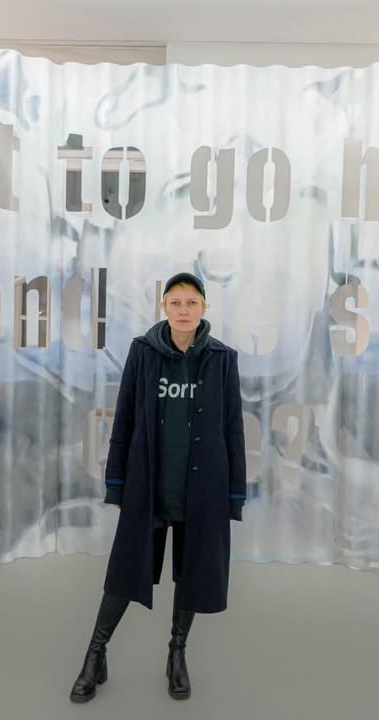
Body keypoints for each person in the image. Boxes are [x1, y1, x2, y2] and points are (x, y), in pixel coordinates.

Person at [69, 272, 247, 703]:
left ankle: (176, 653)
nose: (183, 310)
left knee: (192, 574)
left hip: (201, 489)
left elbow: (233, 428)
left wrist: (234, 493)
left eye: (191, 303)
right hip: (150, 486)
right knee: (125, 572)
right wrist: (117, 484)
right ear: (163, 307)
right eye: (175, 303)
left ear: (204, 308)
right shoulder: (143, 352)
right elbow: (126, 418)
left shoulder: (222, 359)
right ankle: (95, 654)